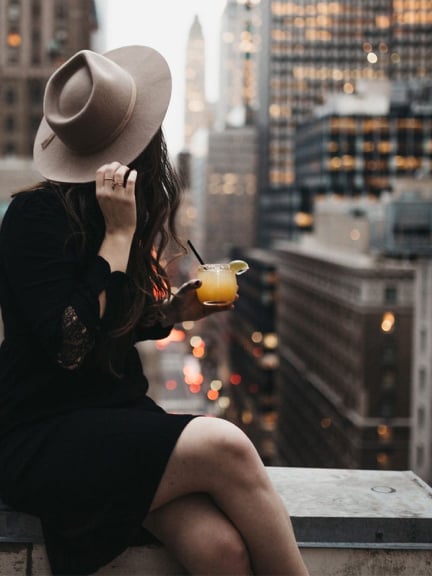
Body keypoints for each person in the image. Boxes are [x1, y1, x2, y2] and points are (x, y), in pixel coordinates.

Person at [0, 46, 309, 576]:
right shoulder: (33, 218)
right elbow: (70, 343)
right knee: (225, 443)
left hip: (113, 419)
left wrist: (170, 313)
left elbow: (106, 324)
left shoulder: (109, 214)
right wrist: (117, 238)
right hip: (42, 433)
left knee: (220, 550)